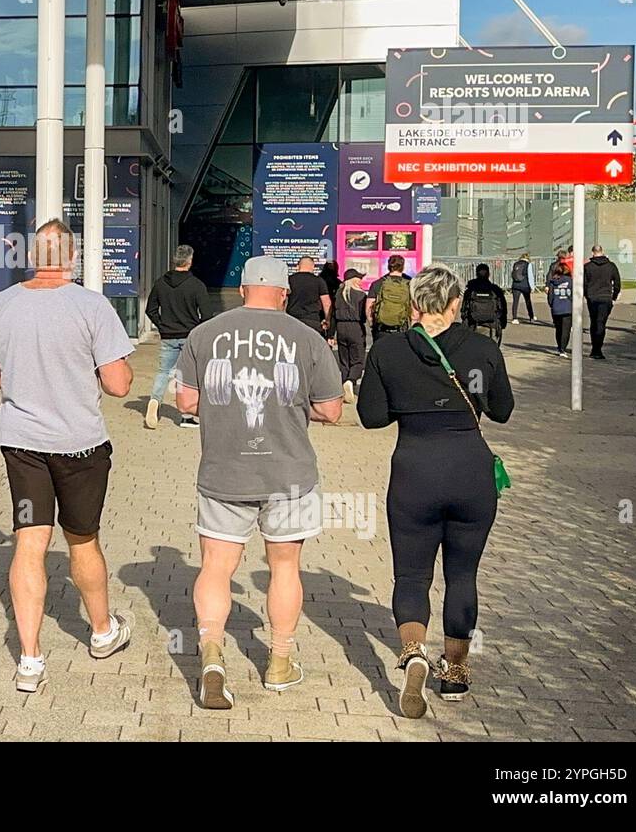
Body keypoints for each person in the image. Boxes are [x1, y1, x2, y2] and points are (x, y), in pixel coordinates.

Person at [0, 220, 135, 694]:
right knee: (82, 540)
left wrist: (19, 379)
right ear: (72, 257)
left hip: (23, 446)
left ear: (31, 256)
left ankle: (30, 659)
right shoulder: (91, 305)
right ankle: (102, 633)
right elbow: (119, 384)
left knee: (28, 542)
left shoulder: (2, 304)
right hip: (81, 445)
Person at [175, 255, 343, 709]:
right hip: (289, 475)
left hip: (223, 472)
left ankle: (211, 654)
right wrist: (292, 407)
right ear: (284, 293)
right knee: (284, 567)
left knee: (215, 567)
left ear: (243, 290)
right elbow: (331, 410)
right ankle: (280, 664)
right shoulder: (307, 338)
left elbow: (187, 402)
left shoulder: (204, 334)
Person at [356, 264, 514, 718]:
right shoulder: (482, 348)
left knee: (411, 577)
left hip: (414, 472)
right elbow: (502, 411)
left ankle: (413, 654)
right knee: (462, 576)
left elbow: (372, 417)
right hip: (470, 474)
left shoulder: (388, 350)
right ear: (455, 305)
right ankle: (456, 672)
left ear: (412, 306)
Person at [143, 244, 208, 429]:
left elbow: (150, 309)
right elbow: (207, 313)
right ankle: (187, 416)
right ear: (190, 261)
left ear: (174, 260)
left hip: (168, 335)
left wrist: (162, 325)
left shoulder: (160, 283)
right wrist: (197, 330)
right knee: (189, 375)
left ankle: (154, 401)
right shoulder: (196, 285)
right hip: (190, 336)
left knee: (164, 372)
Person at [332, 268, 368, 402]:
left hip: (341, 328)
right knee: (358, 359)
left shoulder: (338, 294)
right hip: (355, 327)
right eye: (359, 278)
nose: (361, 281)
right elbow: (363, 316)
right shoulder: (360, 295)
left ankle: (344, 384)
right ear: (353, 280)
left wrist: (331, 334)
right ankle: (351, 381)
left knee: (344, 360)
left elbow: (333, 315)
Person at [583, 245, 622, 360]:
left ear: (592, 253)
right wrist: (614, 297)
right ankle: (597, 349)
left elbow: (584, 283)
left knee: (594, 322)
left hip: (593, 297)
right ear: (602, 251)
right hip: (605, 297)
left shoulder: (588, 267)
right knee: (601, 323)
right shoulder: (611, 266)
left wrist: (587, 295)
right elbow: (617, 283)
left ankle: (595, 348)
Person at [366, 255, 412, 341]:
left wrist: (372, 325)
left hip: (381, 330)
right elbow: (414, 309)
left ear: (388, 266)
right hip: (402, 329)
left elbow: (369, 308)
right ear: (403, 267)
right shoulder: (409, 284)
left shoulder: (378, 283)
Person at [461, 264, 507, 344]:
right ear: (489, 274)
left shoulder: (470, 290)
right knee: (492, 352)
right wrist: (502, 324)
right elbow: (503, 309)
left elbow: (464, 310)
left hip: (473, 325)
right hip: (492, 326)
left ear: (476, 274)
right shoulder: (495, 290)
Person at [285, 256, 331, 336]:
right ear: (313, 267)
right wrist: (327, 320)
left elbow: (283, 299)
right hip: (312, 320)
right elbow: (326, 303)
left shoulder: (289, 280)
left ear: (297, 266)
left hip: (292, 319)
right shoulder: (319, 281)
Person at [546, 258, 573, 358]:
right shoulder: (570, 281)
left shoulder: (553, 282)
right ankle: (563, 348)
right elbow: (573, 295)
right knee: (566, 330)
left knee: (558, 329)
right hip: (567, 308)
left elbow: (550, 296)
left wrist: (552, 305)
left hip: (556, 308)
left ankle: (559, 347)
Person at [509, 253, 535, 323]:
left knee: (515, 302)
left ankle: (514, 318)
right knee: (528, 301)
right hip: (525, 285)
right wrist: (532, 287)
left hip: (515, 285)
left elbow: (512, 274)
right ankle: (531, 317)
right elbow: (530, 276)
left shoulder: (516, 264)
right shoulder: (528, 264)